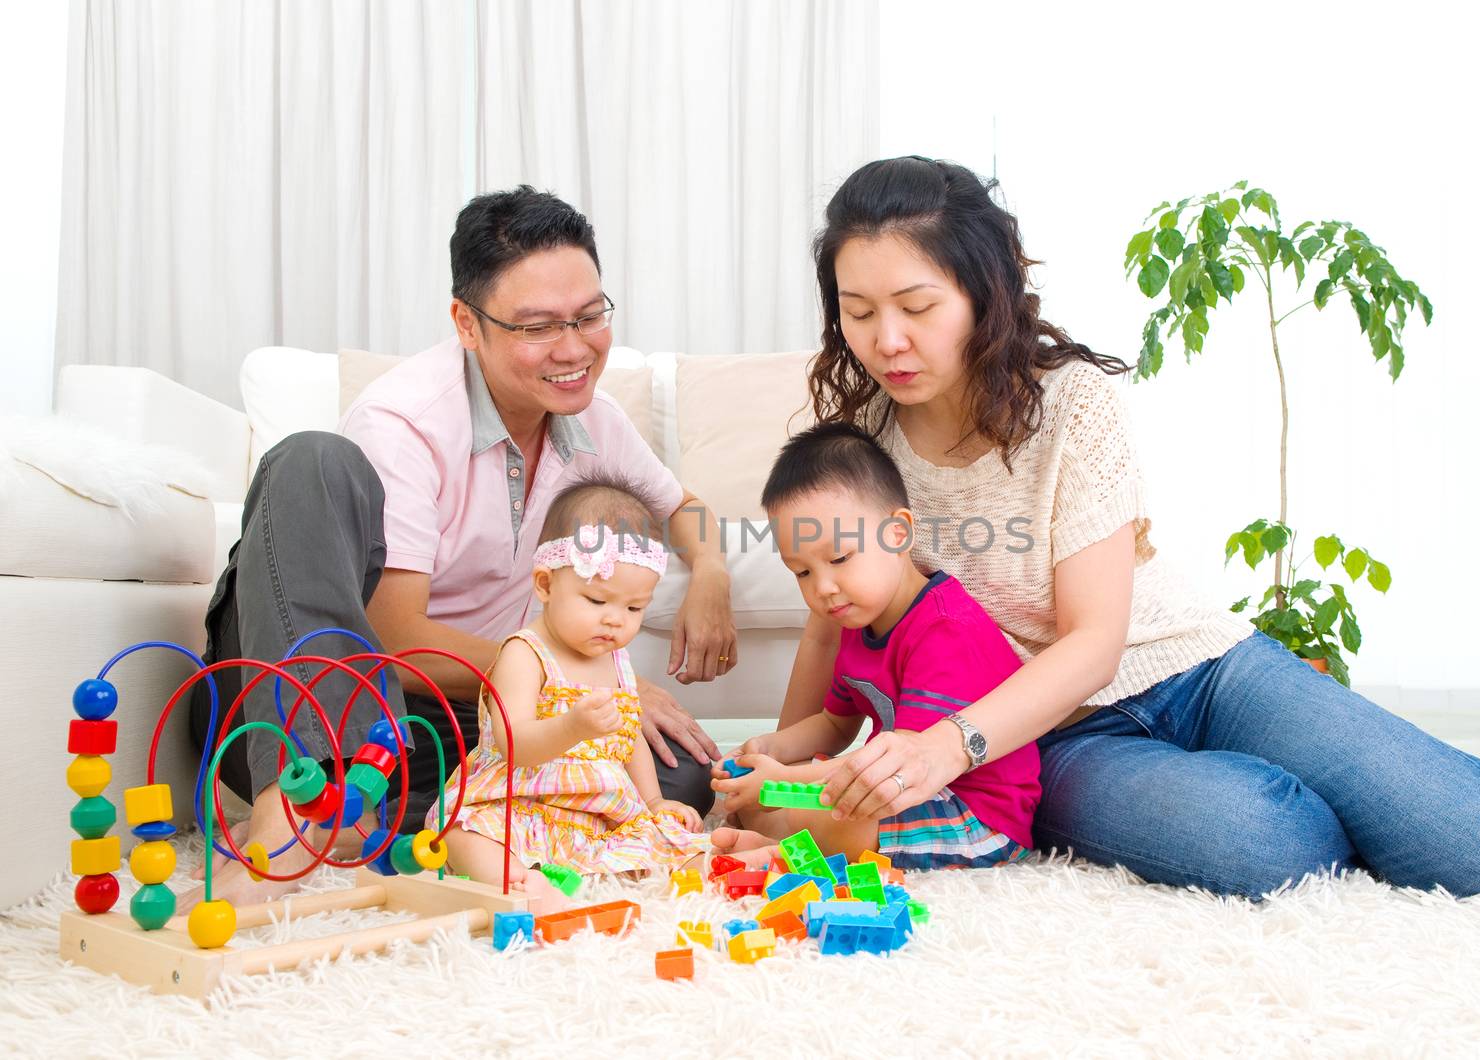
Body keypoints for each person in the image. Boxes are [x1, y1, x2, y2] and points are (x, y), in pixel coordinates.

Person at [784, 156, 1480, 899]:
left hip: (1202, 669)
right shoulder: (864, 450)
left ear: (984, 292)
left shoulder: (1073, 404)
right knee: (1264, 842)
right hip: (1046, 735)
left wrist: (946, 746)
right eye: (859, 312)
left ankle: (1379, 805)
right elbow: (830, 619)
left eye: (917, 308)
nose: (887, 340)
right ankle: (1336, 811)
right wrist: (779, 777)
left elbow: (1095, 642)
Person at [185, 187, 736, 909]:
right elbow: (397, 635)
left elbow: (685, 509)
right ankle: (297, 805)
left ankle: (406, 823)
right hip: (321, 695)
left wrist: (713, 577)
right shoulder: (404, 421)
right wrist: (576, 679)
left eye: (590, 316)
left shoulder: (594, 421)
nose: (574, 349)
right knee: (311, 459)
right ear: (467, 324)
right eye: (538, 326)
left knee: (678, 776)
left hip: (461, 723)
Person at [710, 423, 1037, 870]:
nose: (823, 587)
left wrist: (782, 781)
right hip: (898, 790)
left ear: (897, 534)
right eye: (802, 573)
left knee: (840, 819)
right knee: (762, 799)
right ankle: (782, 838)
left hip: (974, 815)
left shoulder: (943, 628)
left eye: (840, 558)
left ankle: (782, 851)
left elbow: (901, 764)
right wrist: (771, 748)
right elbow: (833, 723)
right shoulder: (856, 619)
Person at [441, 477, 769, 885]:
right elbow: (513, 744)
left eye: (634, 607)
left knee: (651, 841)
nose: (615, 619)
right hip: (518, 804)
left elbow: (628, 739)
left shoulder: (615, 660)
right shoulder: (524, 654)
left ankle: (723, 860)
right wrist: (571, 727)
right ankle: (521, 883)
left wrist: (653, 801)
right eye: (596, 601)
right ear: (545, 584)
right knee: (463, 832)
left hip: (599, 812)